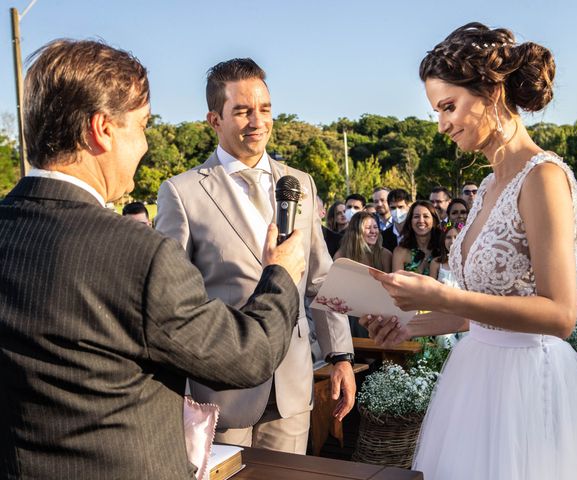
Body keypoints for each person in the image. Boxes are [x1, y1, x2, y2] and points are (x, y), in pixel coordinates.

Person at [0, 39, 306, 480]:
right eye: (142, 126)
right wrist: (281, 274)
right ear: (102, 129)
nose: (144, 146)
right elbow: (247, 356)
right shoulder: (137, 255)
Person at [361, 22, 577, 480]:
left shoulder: (543, 178)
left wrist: (439, 296)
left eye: (449, 106)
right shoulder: (488, 187)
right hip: (476, 376)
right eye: (437, 111)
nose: (442, 125)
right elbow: (485, 312)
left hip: (526, 387)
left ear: (492, 93)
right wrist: (409, 324)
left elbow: (560, 315)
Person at [155, 58, 355, 455]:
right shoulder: (182, 192)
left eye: (264, 109)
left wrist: (341, 355)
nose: (257, 121)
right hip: (219, 388)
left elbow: (320, 278)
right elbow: (170, 298)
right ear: (215, 119)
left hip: (292, 382)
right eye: (243, 111)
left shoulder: (298, 182)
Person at [334, 211, 392, 338]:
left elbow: (388, 290)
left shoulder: (385, 255)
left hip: (378, 311)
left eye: (375, 227)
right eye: (367, 228)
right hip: (351, 311)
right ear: (357, 232)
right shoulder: (341, 255)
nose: (373, 231)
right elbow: (337, 290)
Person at [391, 200, 440, 275]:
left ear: (434, 221)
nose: (421, 220)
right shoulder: (400, 252)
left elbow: (452, 225)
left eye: (426, 216)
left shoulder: (442, 250)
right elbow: (396, 283)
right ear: (410, 221)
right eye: (416, 216)